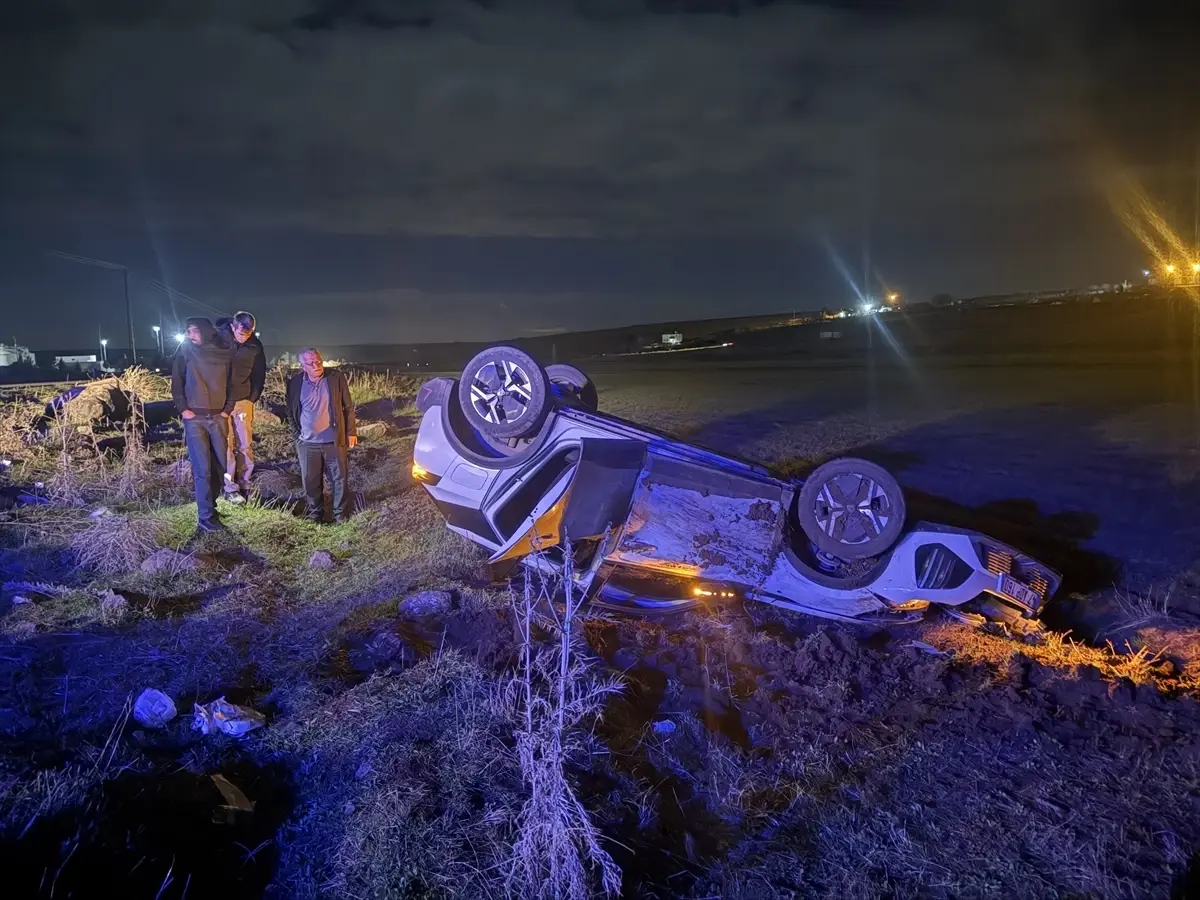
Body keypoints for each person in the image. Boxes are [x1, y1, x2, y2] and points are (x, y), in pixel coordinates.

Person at [171, 317, 234, 532]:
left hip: (218, 417)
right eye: (188, 331)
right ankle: (205, 517)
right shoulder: (185, 353)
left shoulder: (225, 352)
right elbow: (177, 383)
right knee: (202, 469)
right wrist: (183, 409)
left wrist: (226, 410)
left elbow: (232, 383)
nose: (190, 335)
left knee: (219, 466)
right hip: (195, 419)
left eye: (194, 330)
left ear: (206, 331)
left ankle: (211, 507)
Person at [285, 348, 358, 523]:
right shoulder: (295, 383)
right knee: (310, 481)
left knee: (339, 479)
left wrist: (351, 431)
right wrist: (297, 434)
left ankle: (340, 515)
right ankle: (315, 514)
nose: (316, 365)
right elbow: (290, 410)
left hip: (333, 440)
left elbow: (348, 406)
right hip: (306, 442)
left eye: (318, 361)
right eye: (311, 363)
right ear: (302, 366)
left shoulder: (335, 377)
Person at [221, 311, 266, 504]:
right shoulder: (219, 341)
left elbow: (259, 373)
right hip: (221, 402)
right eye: (241, 333)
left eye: (249, 333)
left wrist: (252, 398)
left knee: (245, 444)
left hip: (243, 402)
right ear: (233, 327)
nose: (245, 337)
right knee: (226, 446)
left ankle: (246, 484)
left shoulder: (255, 345)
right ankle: (229, 488)